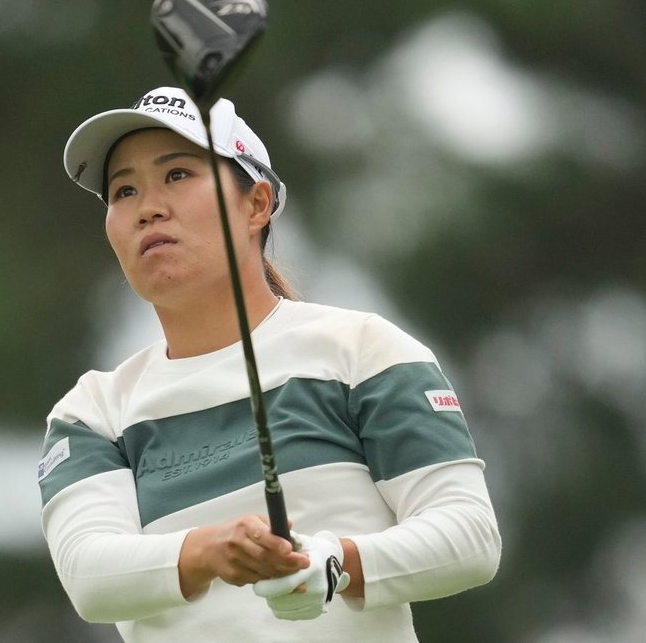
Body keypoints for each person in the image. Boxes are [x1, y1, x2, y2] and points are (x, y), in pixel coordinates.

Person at [37, 85, 501, 642]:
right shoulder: (93, 413)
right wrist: (212, 550)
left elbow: (471, 538)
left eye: (178, 175)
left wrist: (332, 563)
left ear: (256, 205)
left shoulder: (361, 350)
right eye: (124, 190)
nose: (148, 208)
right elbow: (91, 577)